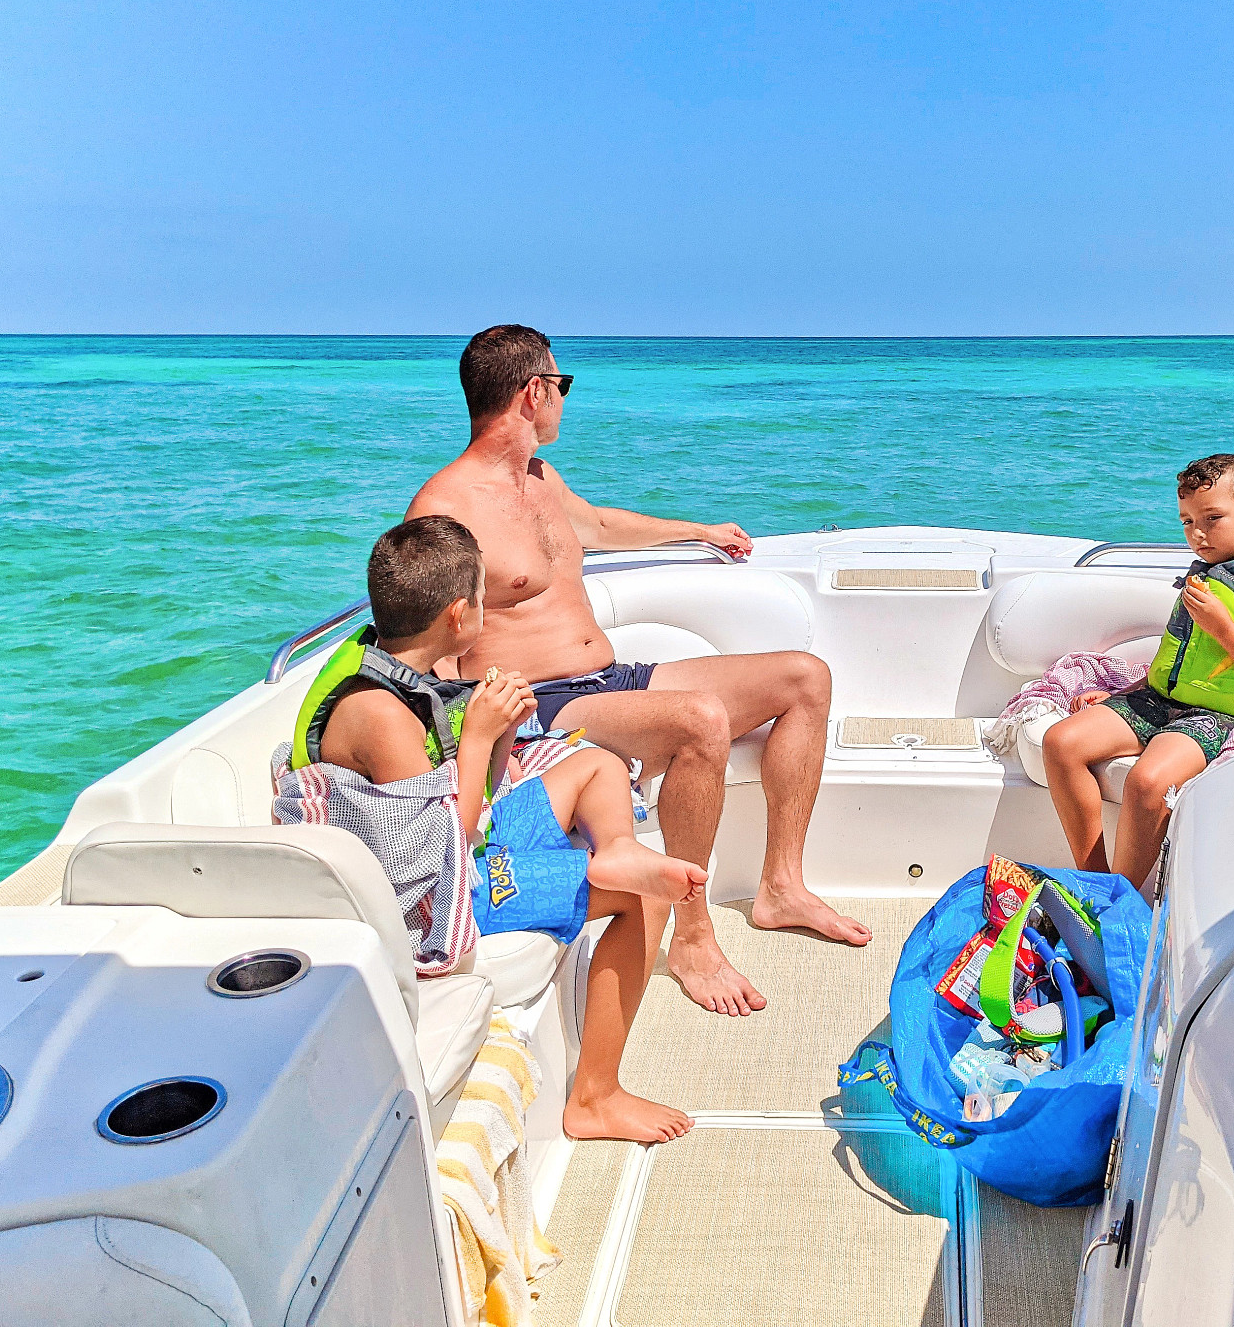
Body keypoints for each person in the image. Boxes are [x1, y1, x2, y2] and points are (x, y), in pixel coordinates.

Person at [405, 325, 870, 1018]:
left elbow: (596, 525)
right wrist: (460, 761)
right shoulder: (446, 508)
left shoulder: (540, 478)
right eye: (561, 386)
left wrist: (699, 530)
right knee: (700, 720)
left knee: (805, 677)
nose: (564, 399)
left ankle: (780, 887)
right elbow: (428, 644)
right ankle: (692, 935)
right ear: (534, 392)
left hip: (610, 680)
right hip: (541, 709)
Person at [274, 515, 706, 1143]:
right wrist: (477, 737)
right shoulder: (379, 717)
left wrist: (501, 734)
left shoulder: (395, 665)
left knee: (595, 763)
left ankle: (614, 849)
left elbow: (462, 796)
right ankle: (595, 1096)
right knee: (648, 898)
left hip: (457, 841)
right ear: (458, 616)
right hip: (438, 891)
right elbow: (440, 847)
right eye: (482, 596)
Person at [1040, 454, 1234, 890]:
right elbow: (1180, 656)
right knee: (1062, 742)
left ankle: (1122, 898)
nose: (1197, 533)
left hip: (1222, 716)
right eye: (1187, 521)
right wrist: (1129, 692)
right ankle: (1093, 884)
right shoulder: (1207, 577)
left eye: (1212, 518)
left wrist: (1223, 628)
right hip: (1161, 701)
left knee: (1147, 780)